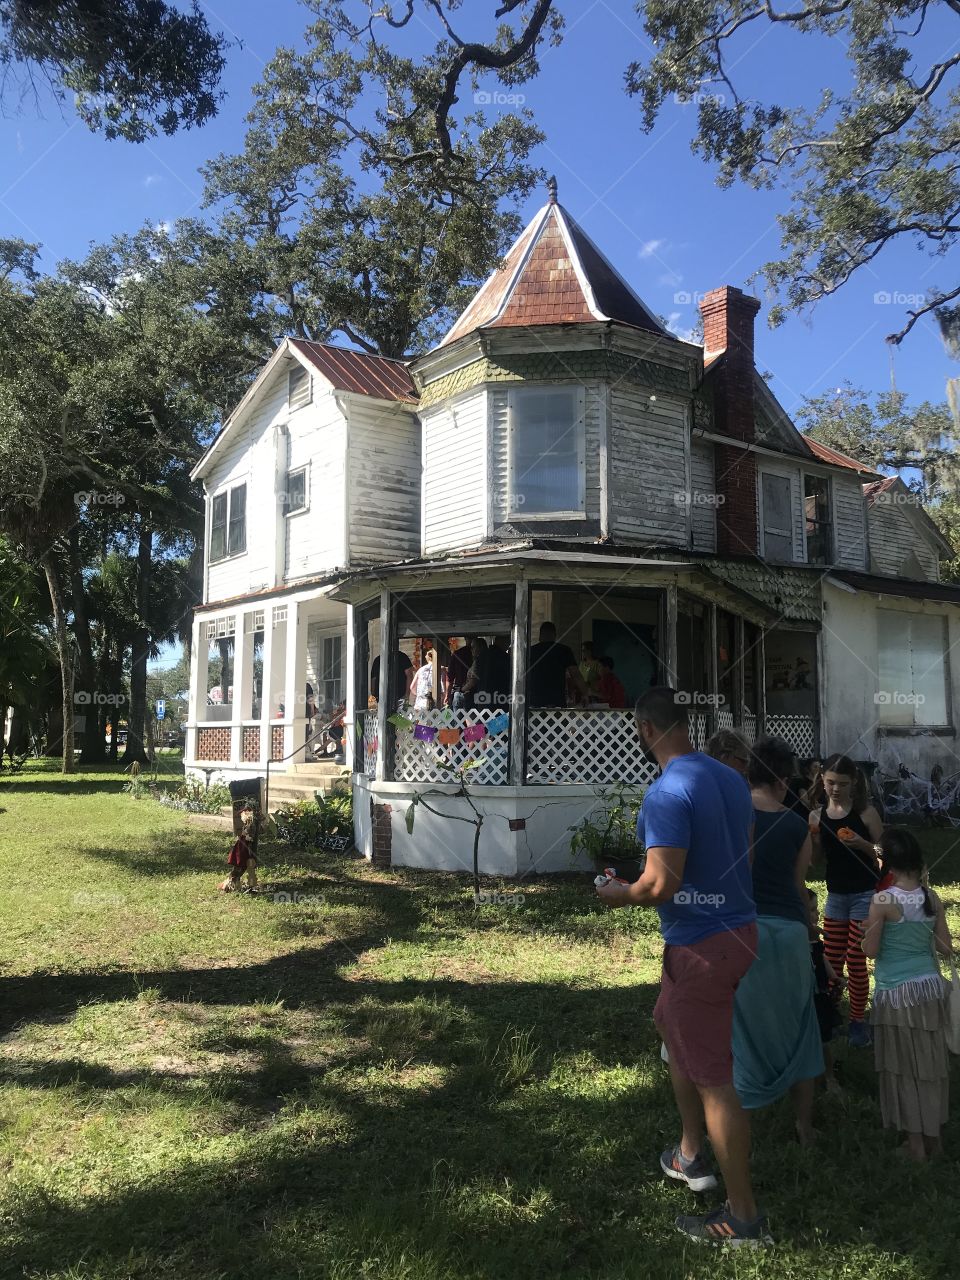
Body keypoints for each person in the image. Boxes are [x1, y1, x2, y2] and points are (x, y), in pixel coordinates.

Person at [597, 687, 769, 1247]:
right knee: (668, 1024)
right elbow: (739, 852)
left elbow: (658, 885)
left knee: (715, 1081)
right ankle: (691, 1154)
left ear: (646, 730)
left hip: (702, 950)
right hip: (738, 932)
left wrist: (616, 893)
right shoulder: (728, 779)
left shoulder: (666, 793)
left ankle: (743, 1219)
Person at [731, 736, 824, 1143]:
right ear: (784, 780)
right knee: (801, 1025)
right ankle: (804, 1126)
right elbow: (798, 886)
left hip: (741, 931)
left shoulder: (732, 818)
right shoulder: (794, 823)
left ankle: (740, 1130)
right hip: (788, 931)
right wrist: (811, 928)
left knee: (743, 1029)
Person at [861, 827, 953, 1161]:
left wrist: (865, 936)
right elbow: (945, 948)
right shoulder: (932, 898)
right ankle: (935, 1139)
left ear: (885, 860)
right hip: (930, 988)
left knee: (904, 1068)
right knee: (930, 1066)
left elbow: (870, 951)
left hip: (897, 994)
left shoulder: (883, 900)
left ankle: (915, 1145)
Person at [809, 754, 883, 1047]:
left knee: (855, 960)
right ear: (822, 781)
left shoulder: (866, 813)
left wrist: (863, 844)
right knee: (832, 960)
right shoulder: (816, 815)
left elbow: (884, 855)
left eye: (842, 783)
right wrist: (815, 841)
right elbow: (815, 861)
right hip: (837, 895)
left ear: (854, 783)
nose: (835, 789)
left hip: (865, 893)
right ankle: (832, 1014)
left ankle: (857, 1022)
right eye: (830, 782)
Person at [807, 888, 842, 1093]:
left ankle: (830, 1077)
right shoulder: (797, 936)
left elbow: (822, 958)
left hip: (819, 993)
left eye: (816, 909)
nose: (816, 914)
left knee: (823, 1039)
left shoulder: (816, 938)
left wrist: (834, 976)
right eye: (811, 910)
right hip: (804, 994)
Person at [527, 622, 587, 708]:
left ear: (540, 635)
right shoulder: (563, 650)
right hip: (556, 700)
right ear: (554, 635)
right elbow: (575, 674)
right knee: (558, 720)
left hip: (535, 701)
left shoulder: (530, 651)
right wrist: (585, 693)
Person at [219, 804, 259, 893]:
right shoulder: (247, 825)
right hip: (242, 848)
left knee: (240, 867)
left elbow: (249, 838)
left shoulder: (250, 826)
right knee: (238, 868)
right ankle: (231, 885)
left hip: (244, 848)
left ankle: (233, 885)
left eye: (242, 814)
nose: (241, 816)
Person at [465, 634, 511, 709]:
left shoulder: (481, 657)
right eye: (507, 642)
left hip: (482, 699)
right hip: (500, 700)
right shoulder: (504, 657)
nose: (508, 645)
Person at [444, 638, 475, 709]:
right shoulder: (479, 655)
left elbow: (450, 678)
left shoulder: (457, 654)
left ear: (465, 638)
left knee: (458, 719)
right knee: (473, 718)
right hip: (476, 692)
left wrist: (447, 695)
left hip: (459, 690)